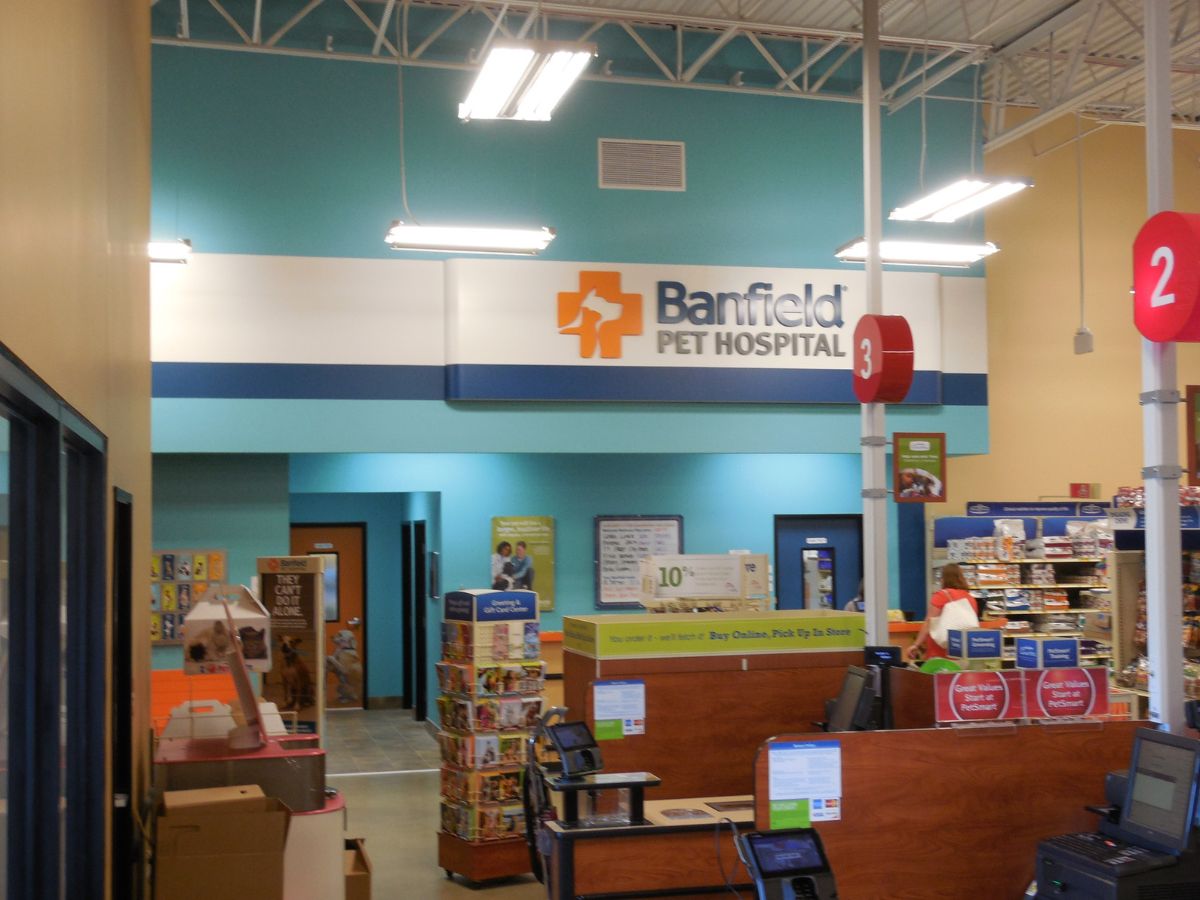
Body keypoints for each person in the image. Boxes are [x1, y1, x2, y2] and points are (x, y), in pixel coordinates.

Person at [903, 563, 978, 663]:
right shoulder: (970, 598)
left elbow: (929, 622)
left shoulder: (942, 595)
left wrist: (916, 644)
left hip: (940, 650)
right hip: (961, 650)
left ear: (943, 579)